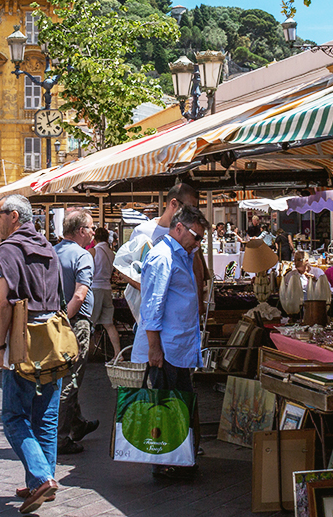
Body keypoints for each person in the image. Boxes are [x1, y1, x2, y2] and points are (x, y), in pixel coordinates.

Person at [0, 194, 62, 512]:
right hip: (52, 336)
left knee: (13, 416)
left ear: (14, 217)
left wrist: (0, 346)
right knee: (45, 416)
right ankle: (44, 479)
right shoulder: (48, 246)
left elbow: (3, 302)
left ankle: (40, 479)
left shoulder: (10, 248)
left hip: (25, 338)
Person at [132, 204, 209, 480]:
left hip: (179, 347)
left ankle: (176, 457)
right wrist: (154, 348)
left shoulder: (183, 254)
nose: (198, 243)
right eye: (196, 236)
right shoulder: (162, 256)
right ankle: (164, 463)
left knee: (177, 404)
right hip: (167, 348)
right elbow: (152, 306)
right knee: (165, 404)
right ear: (179, 228)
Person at [113, 182, 199, 323]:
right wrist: (145, 287)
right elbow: (124, 267)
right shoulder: (142, 231)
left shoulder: (188, 232)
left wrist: (198, 303)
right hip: (148, 313)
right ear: (174, 203)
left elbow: (196, 266)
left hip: (178, 313)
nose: (192, 214)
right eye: (189, 208)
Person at [55, 210, 97, 454]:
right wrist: (65, 318)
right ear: (81, 230)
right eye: (91, 227)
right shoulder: (83, 256)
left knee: (63, 374)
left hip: (54, 320)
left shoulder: (53, 251)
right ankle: (61, 438)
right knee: (71, 379)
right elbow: (80, 294)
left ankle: (78, 423)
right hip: (74, 320)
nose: (93, 232)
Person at [90, 226, 120, 357]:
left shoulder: (93, 251)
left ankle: (84, 353)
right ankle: (118, 353)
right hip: (107, 289)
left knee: (89, 323)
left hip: (95, 288)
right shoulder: (111, 253)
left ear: (95, 238)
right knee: (109, 324)